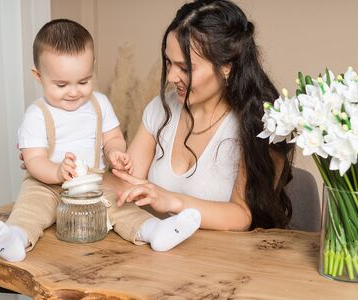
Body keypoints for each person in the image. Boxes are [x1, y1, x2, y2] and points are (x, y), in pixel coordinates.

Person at [0, 19, 201, 262]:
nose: (74, 92)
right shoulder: (36, 114)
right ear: (38, 75)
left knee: (121, 207)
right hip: (46, 185)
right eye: (62, 84)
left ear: (91, 68)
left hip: (92, 183)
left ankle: (154, 231)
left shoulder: (100, 104)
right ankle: (15, 238)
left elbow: (113, 137)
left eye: (83, 81)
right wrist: (56, 171)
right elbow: (33, 160)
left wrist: (116, 153)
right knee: (30, 210)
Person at [109, 0, 294, 231]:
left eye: (185, 68)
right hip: (157, 259)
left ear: (227, 66)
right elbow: (124, 184)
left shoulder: (255, 124)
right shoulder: (160, 108)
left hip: (220, 260)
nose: (171, 77)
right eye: (169, 62)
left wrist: (171, 200)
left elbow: (241, 216)